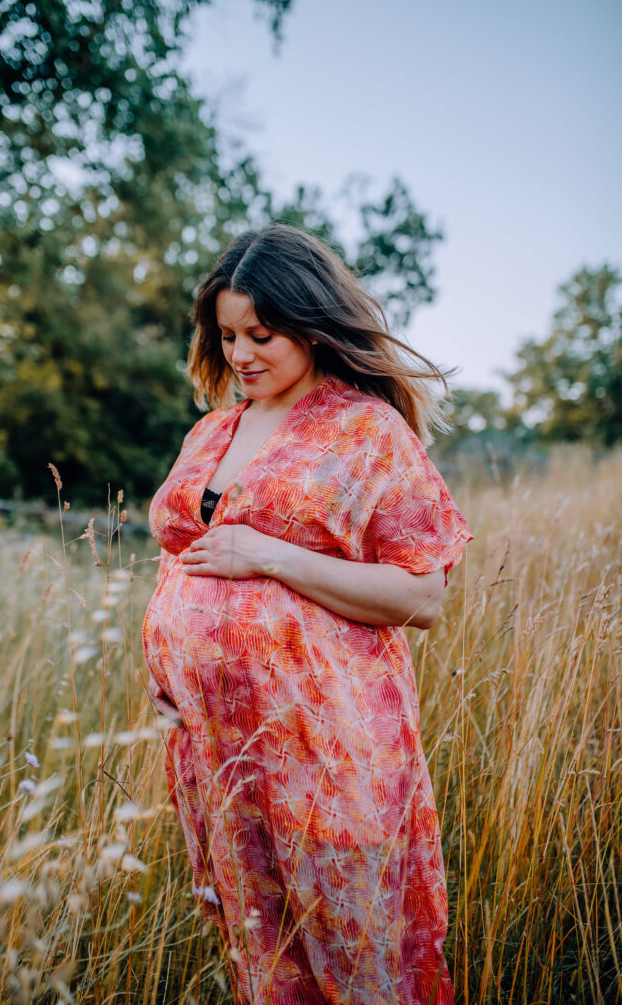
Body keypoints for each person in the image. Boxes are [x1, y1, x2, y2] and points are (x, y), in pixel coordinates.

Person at [142, 223, 472, 1005]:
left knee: (355, 945)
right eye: (227, 336)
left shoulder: (364, 432)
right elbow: (181, 556)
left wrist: (270, 554)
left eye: (263, 334)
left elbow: (421, 596)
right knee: (260, 948)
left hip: (327, 744)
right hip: (218, 745)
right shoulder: (211, 431)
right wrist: (163, 662)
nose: (242, 354)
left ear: (312, 326)